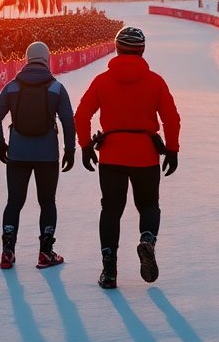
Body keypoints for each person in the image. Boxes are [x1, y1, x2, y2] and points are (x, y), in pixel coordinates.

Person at [75, 26, 181, 290]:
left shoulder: (102, 81)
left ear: (117, 48)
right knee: (149, 205)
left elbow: (81, 115)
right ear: (142, 50)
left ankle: (109, 270)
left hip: (112, 153)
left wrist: (86, 146)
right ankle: (147, 239)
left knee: (111, 210)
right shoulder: (155, 81)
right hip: (145, 153)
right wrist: (172, 149)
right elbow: (171, 118)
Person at [0, 41, 75, 269]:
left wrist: (0, 144)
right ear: (47, 59)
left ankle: (8, 251)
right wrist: (70, 149)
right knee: (47, 202)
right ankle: (45, 253)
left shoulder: (12, 87)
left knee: (14, 202)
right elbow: (67, 120)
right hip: (47, 154)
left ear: (26, 59)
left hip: (17, 153)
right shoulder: (56, 88)